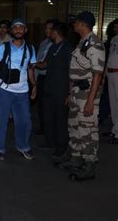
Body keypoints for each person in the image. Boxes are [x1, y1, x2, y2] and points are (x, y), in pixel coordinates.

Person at [62, 11, 105, 181]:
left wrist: (90, 102)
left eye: (76, 22)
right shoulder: (82, 42)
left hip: (87, 94)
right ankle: (76, 159)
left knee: (87, 129)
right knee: (74, 126)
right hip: (77, 93)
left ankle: (89, 166)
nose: (73, 25)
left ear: (82, 24)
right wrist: (70, 93)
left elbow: (97, 75)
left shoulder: (94, 44)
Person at [0, 18, 37, 161]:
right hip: (4, 90)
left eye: (21, 28)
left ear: (25, 30)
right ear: (11, 31)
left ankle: (23, 146)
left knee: (25, 120)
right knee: (0, 120)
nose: (18, 30)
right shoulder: (4, 47)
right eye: (15, 28)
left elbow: (30, 69)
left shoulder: (30, 48)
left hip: (22, 91)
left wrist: (34, 85)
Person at [36, 22, 72, 161]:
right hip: (49, 88)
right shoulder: (53, 48)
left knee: (60, 119)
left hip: (61, 90)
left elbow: (71, 71)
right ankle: (50, 142)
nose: (48, 32)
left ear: (56, 32)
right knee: (48, 116)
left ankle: (61, 147)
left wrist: (69, 93)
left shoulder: (67, 48)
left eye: (50, 30)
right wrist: (32, 63)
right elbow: (44, 64)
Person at [34, 19, 56, 136]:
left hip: (49, 77)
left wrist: (34, 64)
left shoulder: (56, 45)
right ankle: (43, 127)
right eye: (46, 28)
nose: (48, 30)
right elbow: (38, 60)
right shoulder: (43, 43)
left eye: (50, 28)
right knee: (41, 105)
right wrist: (35, 80)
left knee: (48, 106)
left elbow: (43, 63)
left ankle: (49, 130)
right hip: (41, 78)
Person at [105, 18, 118, 144]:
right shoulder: (113, 39)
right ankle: (115, 130)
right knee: (113, 104)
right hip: (111, 72)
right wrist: (105, 73)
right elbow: (109, 57)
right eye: (114, 27)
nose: (115, 29)